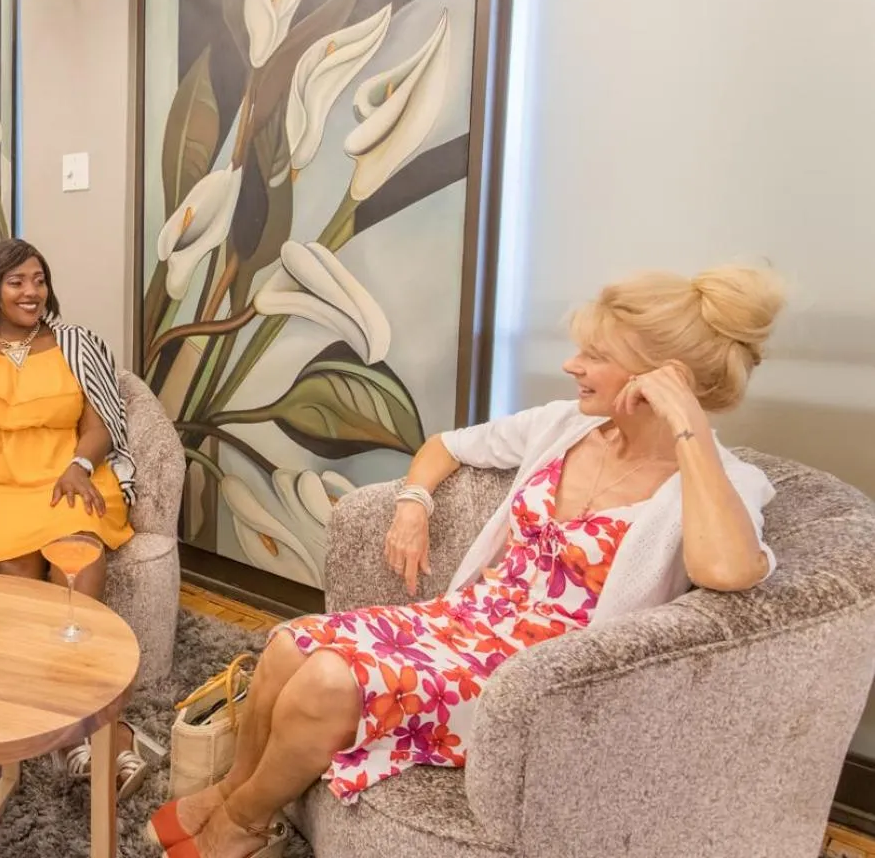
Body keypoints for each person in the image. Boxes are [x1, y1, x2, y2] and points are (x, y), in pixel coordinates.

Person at [147, 265, 786, 858]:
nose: (573, 365)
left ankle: (243, 824)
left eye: (596, 355)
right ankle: (230, 791)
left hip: (538, 676)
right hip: (473, 619)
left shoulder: (723, 483)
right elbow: (447, 445)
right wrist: (414, 503)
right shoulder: (565, 425)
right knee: (290, 645)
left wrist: (689, 428)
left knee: (328, 683)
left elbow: (729, 570)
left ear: (661, 378)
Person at [0, 237, 159, 798]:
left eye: (39, 280)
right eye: (17, 281)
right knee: (17, 575)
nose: (31, 292)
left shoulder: (76, 343)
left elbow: (102, 420)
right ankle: (75, 729)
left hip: (66, 477)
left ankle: (85, 718)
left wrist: (79, 464)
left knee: (78, 562)